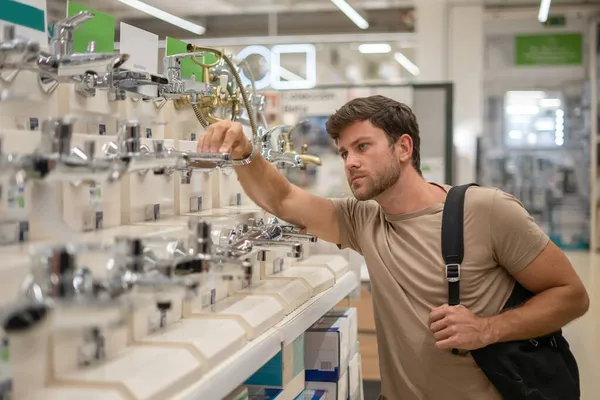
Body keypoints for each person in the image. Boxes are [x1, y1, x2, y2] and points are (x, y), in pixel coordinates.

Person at [197, 95, 590, 399]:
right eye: (345, 152)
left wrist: (487, 329)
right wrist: (244, 153)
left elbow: (571, 295)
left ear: (404, 148)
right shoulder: (363, 219)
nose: (350, 162)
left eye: (363, 147)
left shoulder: (484, 210)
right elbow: (282, 199)